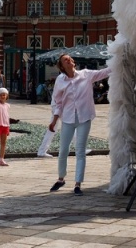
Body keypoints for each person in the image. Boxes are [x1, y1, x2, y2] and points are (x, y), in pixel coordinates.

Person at [48, 54, 111, 196]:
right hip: (68, 118)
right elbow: (58, 102)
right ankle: (61, 178)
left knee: (80, 151)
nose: (69, 60)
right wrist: (54, 120)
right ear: (62, 66)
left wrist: (118, 61)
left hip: (84, 117)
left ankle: (77, 183)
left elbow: (104, 72)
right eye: (65, 60)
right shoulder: (60, 80)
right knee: (63, 150)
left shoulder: (86, 75)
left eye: (70, 58)